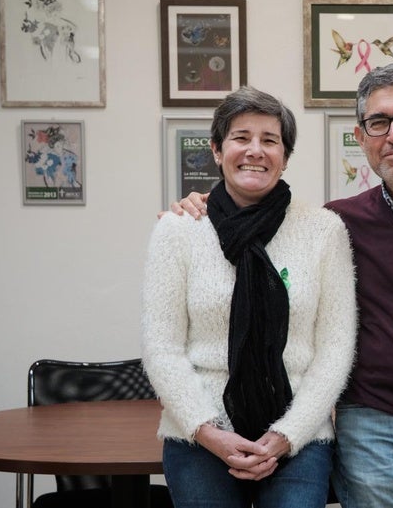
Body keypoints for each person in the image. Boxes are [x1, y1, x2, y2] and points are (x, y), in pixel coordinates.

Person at [171, 63, 393, 508]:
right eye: (377, 123)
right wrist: (207, 207)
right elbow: (260, 223)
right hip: (373, 425)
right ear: (361, 138)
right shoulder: (337, 223)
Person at [142, 86, 357, 508]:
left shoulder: (324, 230)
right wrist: (210, 432)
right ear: (218, 150)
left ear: (285, 155)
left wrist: (285, 435)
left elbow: (335, 349)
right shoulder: (178, 230)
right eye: (241, 138)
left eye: (270, 140)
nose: (255, 150)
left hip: (298, 433)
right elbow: (161, 348)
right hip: (199, 432)